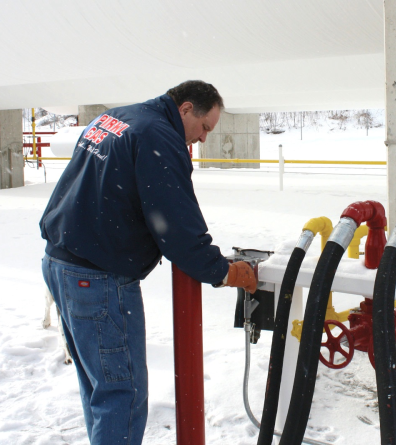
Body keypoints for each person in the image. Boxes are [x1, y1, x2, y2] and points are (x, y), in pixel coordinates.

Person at [40, 80, 257, 444]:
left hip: (61, 262)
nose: (204, 139)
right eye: (204, 128)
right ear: (186, 109)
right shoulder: (158, 136)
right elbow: (176, 226)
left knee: (100, 388)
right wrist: (224, 271)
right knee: (121, 395)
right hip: (97, 278)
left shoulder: (119, 118)